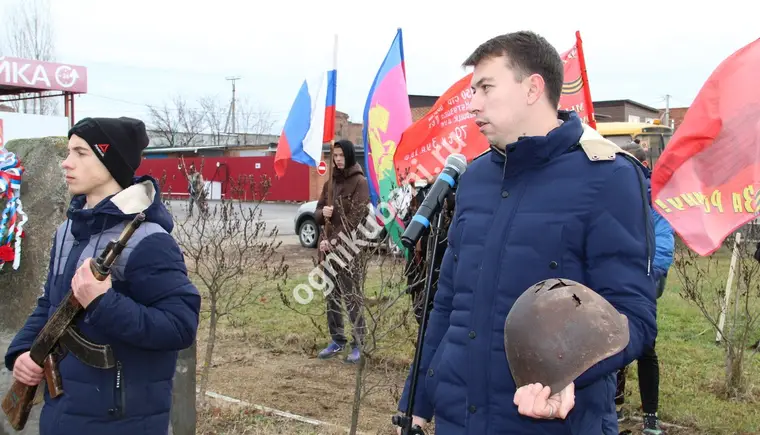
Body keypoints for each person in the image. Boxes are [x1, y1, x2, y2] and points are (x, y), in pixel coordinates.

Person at [395, 31, 657, 434]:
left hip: (554, 423)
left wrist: (568, 375)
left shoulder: (609, 178)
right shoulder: (476, 176)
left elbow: (632, 318)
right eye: (472, 90)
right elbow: (448, 303)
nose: (474, 104)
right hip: (459, 420)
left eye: (486, 88)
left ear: (533, 87)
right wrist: (417, 399)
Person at [4, 117, 201, 435]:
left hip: (122, 421)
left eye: (81, 153)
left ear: (111, 162)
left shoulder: (149, 241)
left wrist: (102, 302)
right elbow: (50, 304)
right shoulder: (67, 231)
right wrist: (25, 352)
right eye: (68, 152)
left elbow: (180, 327)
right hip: (63, 415)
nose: (66, 163)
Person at [615, 141, 675, 435]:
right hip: (613, 281)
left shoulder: (656, 201)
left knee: (645, 347)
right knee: (611, 342)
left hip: (643, 282)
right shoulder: (613, 192)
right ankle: (614, 405)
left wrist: (645, 276)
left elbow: (663, 245)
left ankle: (650, 416)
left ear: (642, 166)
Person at [314, 139, 370, 364]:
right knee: (332, 298)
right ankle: (337, 340)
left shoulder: (360, 182)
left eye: (341, 155)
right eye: (334, 155)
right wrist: (323, 214)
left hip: (349, 251)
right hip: (327, 250)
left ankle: (359, 343)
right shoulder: (330, 184)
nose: (337, 159)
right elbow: (318, 212)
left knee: (352, 297)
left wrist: (333, 242)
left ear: (349, 156)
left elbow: (355, 219)